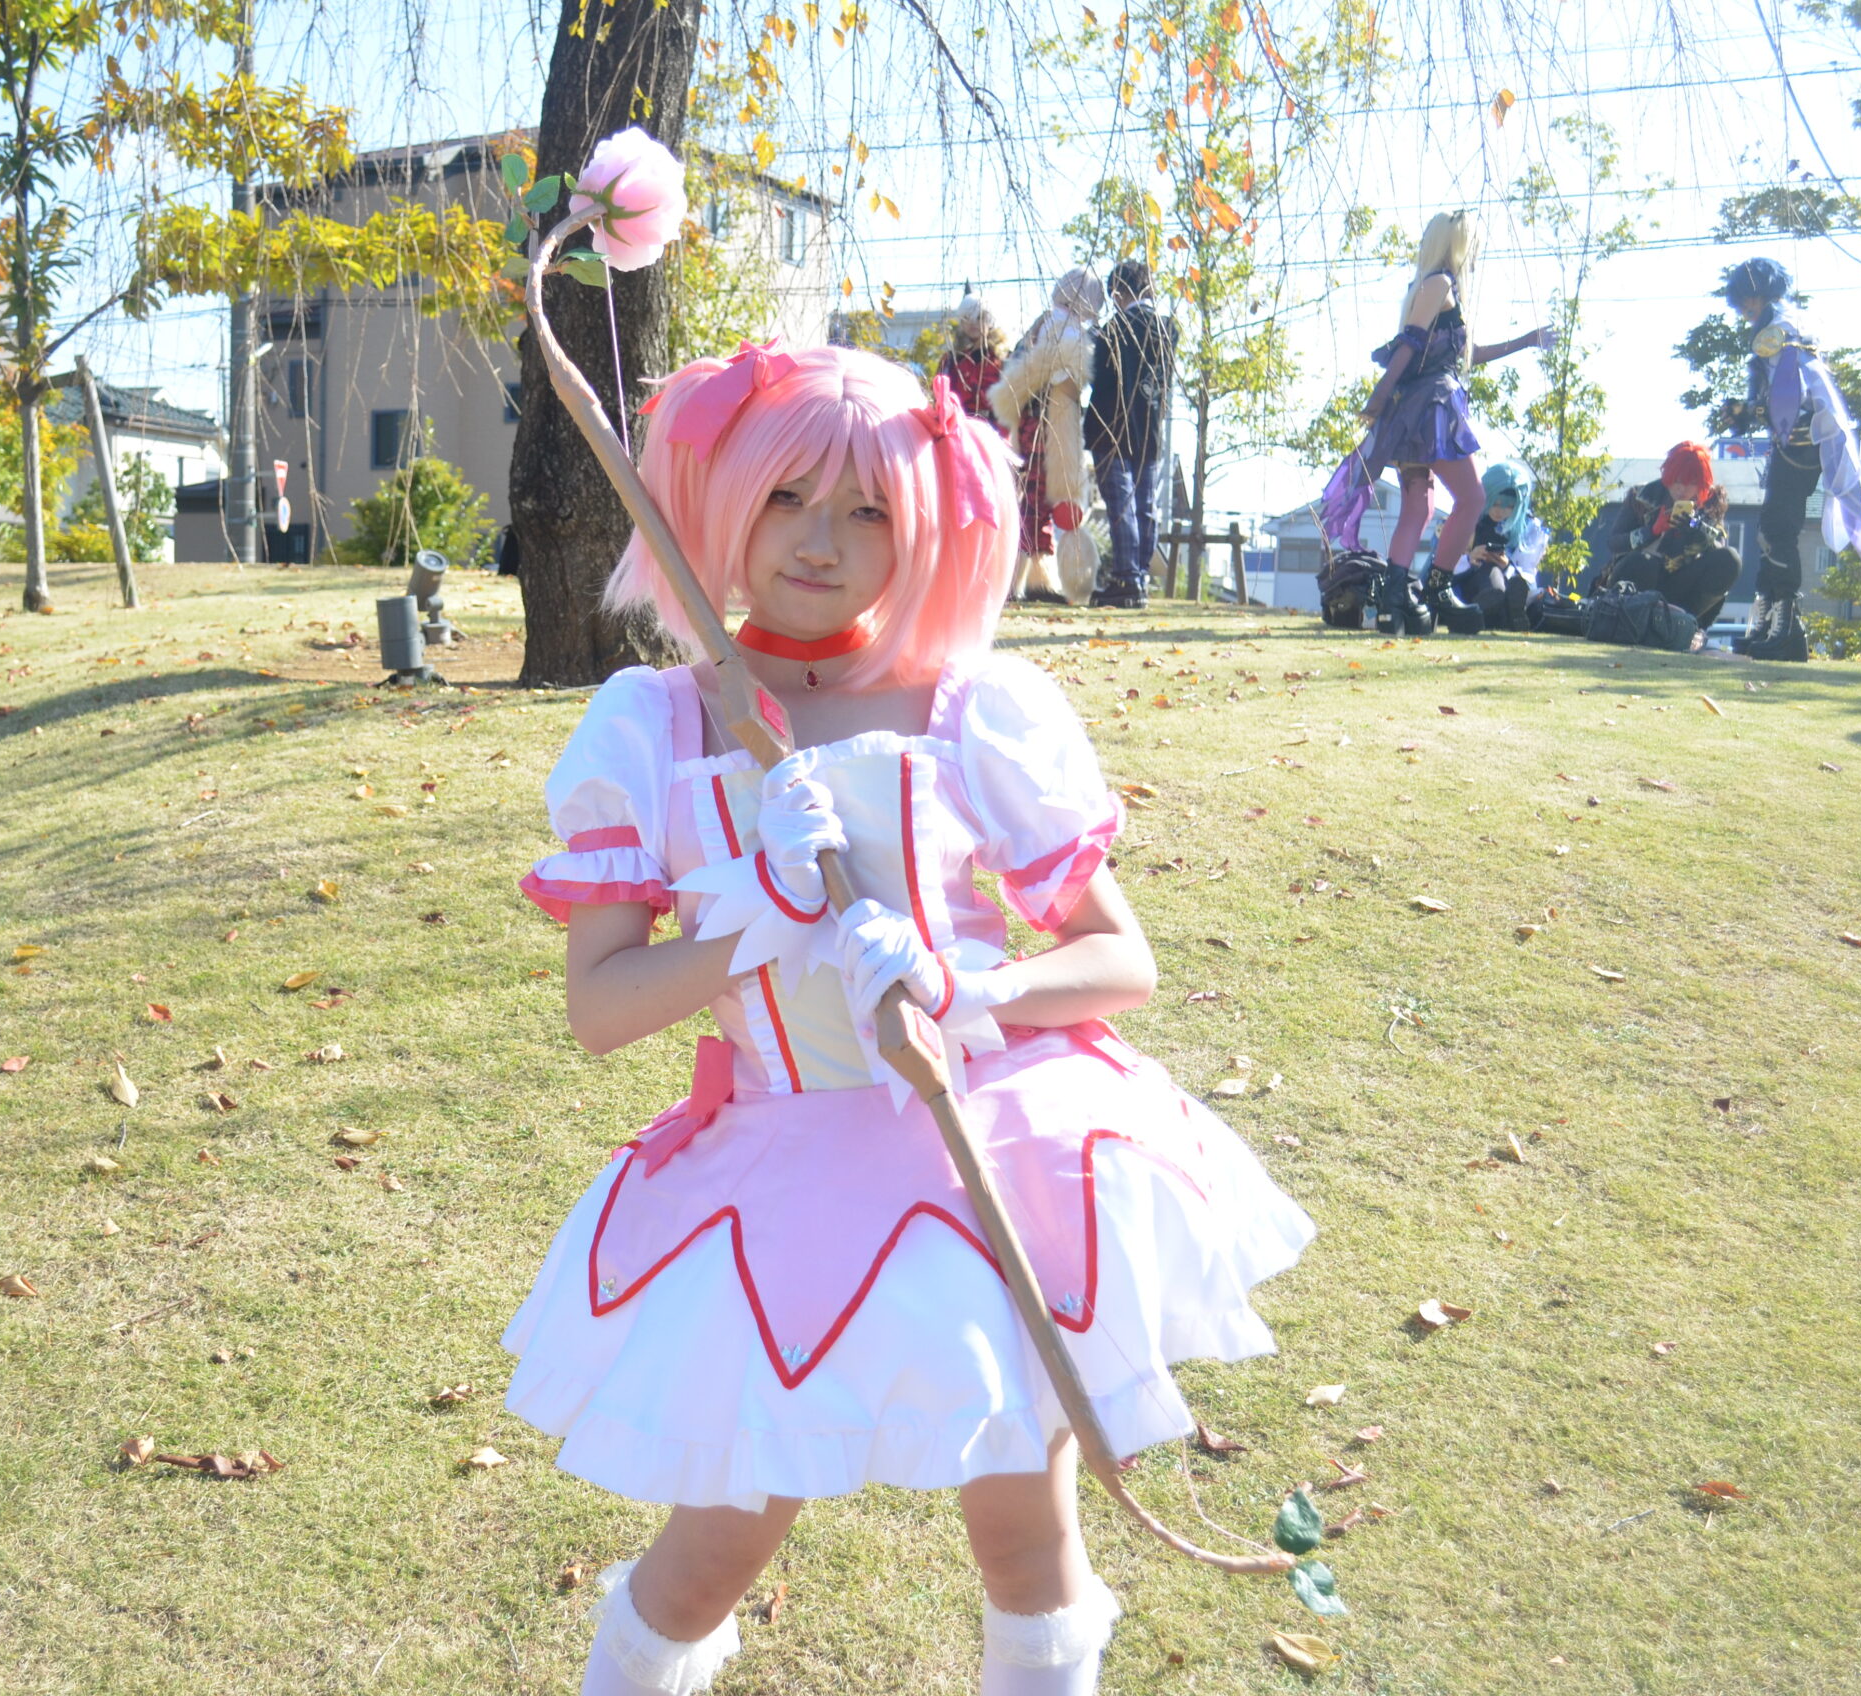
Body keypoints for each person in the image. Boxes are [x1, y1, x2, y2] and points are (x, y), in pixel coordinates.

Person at [506, 342, 1314, 1696]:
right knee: (711, 1548)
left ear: (925, 525)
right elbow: (599, 1008)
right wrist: (751, 917)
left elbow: (1120, 959)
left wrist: (966, 989)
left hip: (987, 1150)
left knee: (1024, 1535)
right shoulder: (654, 725)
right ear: (727, 501)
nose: (820, 540)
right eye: (786, 497)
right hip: (779, 1171)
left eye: (868, 510)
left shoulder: (970, 709)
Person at [1320, 212, 1554, 623]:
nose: (1476, 253)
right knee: (1472, 498)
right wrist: (1379, 395)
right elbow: (1408, 344)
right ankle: (1437, 590)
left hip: (1418, 408)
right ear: (1458, 243)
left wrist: (1527, 340)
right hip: (1430, 408)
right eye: (1473, 245)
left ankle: (1396, 602)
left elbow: (1466, 355)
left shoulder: (1439, 287)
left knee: (1420, 507)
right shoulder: (1439, 283)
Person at [1719, 258, 1861, 661]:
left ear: (1758, 295)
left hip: (1802, 439)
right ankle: (1767, 623)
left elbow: (1789, 397)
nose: (1743, 308)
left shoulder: (1780, 330)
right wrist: (1749, 412)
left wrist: (1749, 411)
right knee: (1770, 529)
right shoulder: (1789, 324)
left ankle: (1786, 627)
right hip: (1798, 438)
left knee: (1778, 528)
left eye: (1746, 299)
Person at [990, 268, 1104, 605]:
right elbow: (1059, 380)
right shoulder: (1064, 329)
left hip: (1035, 422)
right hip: (1048, 424)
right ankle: (1024, 579)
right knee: (1038, 497)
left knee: (1033, 498)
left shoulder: (1044, 324)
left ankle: (1034, 577)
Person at [1084, 259, 1179, 608]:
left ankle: (1126, 578)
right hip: (1150, 428)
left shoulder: (1115, 329)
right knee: (1145, 505)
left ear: (1119, 293)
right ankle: (1139, 577)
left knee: (1121, 504)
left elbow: (1098, 376)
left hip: (1111, 426)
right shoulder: (1168, 329)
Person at [1597, 441, 1741, 629]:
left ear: (1701, 484)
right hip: (1637, 582)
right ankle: (1636, 622)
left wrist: (1696, 530)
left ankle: (1683, 625)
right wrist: (1652, 531)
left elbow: (1719, 548)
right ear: (1668, 476)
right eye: (1678, 481)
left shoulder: (1711, 502)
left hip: (1681, 587)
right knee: (1644, 562)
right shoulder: (1641, 495)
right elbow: (1614, 543)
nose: (1682, 489)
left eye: (1691, 483)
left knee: (1730, 558)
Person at [1445, 461, 1547, 629]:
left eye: (1509, 506)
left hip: (1509, 581)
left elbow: (1528, 574)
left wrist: (1507, 567)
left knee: (1508, 583)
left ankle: (1508, 609)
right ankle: (1507, 611)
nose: (1500, 511)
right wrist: (1469, 559)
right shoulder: (1467, 520)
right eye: (1496, 503)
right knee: (1491, 575)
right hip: (1465, 584)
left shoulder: (1529, 528)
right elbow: (1441, 564)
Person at [935, 288, 1006, 428]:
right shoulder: (951, 361)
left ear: (989, 321)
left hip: (993, 430)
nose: (973, 323)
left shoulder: (1001, 359)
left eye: (979, 317)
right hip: (959, 427)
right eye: (967, 318)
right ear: (961, 322)